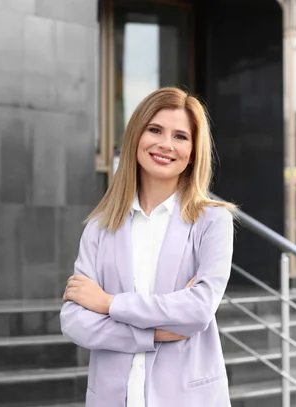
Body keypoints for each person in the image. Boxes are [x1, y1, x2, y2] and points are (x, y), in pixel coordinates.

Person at [60, 87, 236, 407]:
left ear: (194, 151)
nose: (165, 144)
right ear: (136, 137)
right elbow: (74, 320)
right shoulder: (100, 226)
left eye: (180, 136)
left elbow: (197, 310)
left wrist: (108, 303)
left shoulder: (212, 221)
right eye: (155, 130)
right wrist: (154, 333)